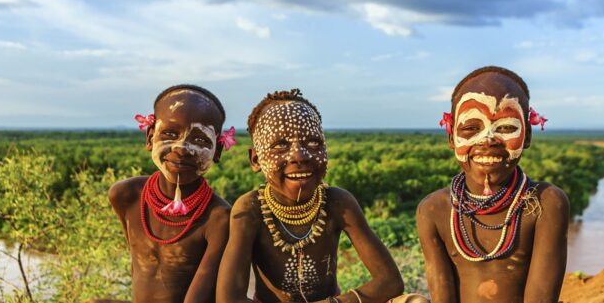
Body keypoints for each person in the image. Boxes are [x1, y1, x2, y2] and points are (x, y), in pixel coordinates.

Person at [216, 89, 410, 303]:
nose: (299, 156)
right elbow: (228, 299)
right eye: (281, 145)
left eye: (313, 143)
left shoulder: (337, 202)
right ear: (255, 160)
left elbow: (390, 282)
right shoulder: (250, 209)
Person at [416, 66, 569, 302]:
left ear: (527, 135)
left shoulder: (545, 203)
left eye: (506, 127)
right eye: (471, 128)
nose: (488, 140)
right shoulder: (433, 210)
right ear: (451, 137)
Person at [108, 84, 235, 303]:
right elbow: (138, 269)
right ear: (150, 138)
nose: (182, 148)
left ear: (217, 151)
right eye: (170, 134)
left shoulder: (219, 218)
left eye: (200, 139)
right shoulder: (126, 196)